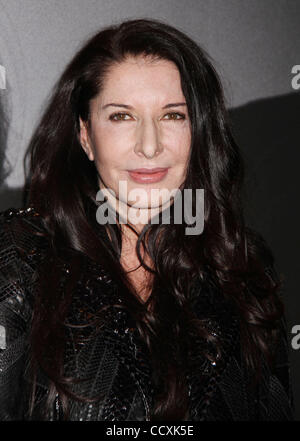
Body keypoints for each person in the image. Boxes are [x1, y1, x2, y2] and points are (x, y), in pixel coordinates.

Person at [0, 18, 294, 421]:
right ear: (86, 136)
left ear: (199, 129)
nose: (150, 146)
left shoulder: (243, 263)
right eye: (122, 116)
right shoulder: (19, 258)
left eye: (173, 116)